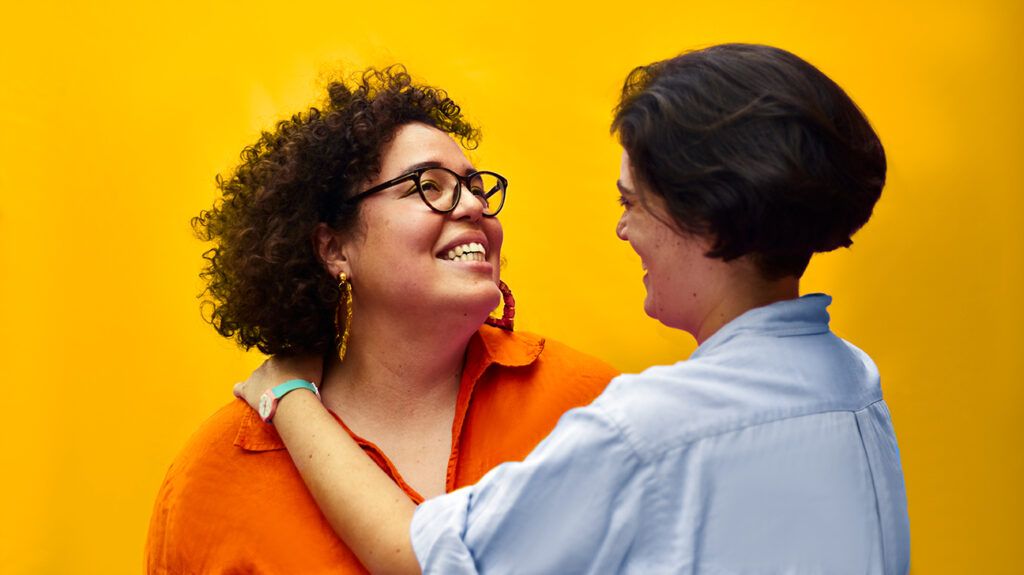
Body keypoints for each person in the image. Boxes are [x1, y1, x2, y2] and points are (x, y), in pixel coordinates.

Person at [233, 44, 911, 574]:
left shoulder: (640, 427)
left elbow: (422, 555)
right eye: (428, 188)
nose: (624, 230)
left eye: (630, 201)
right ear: (332, 246)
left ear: (706, 215)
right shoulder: (854, 383)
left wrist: (289, 392)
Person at [144, 67, 618, 574]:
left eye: (476, 187)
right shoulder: (215, 476)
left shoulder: (590, 405)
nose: (475, 206)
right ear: (333, 249)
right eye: (427, 185)